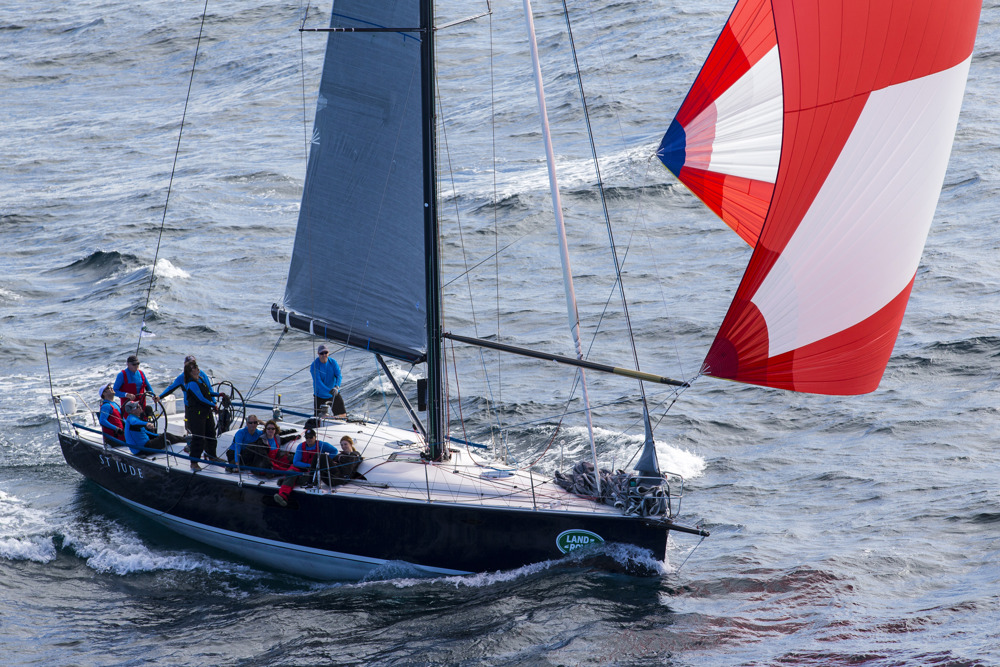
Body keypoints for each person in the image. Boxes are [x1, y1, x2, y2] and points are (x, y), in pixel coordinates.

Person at [273, 429, 338, 507]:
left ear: (315, 437)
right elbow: (296, 462)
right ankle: (282, 495)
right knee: (291, 473)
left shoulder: (321, 445)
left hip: (313, 471)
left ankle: (286, 481)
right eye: (307, 437)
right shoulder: (301, 446)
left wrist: (325, 460)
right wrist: (308, 465)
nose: (309, 439)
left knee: (303, 478)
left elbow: (334, 451)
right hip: (300, 467)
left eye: (311, 437)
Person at [181, 359, 221, 470]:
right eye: (194, 367)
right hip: (196, 415)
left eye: (197, 366)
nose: (197, 368)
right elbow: (201, 398)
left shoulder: (201, 379)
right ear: (190, 371)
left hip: (206, 413)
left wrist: (219, 394)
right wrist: (213, 405)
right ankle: (194, 462)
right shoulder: (191, 384)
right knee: (199, 438)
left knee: (211, 434)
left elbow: (207, 392)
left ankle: (212, 456)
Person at [310, 344, 346, 418]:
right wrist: (329, 391)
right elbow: (318, 383)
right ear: (318, 354)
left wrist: (336, 387)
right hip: (320, 396)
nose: (324, 355)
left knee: (343, 416)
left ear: (328, 353)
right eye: (321, 353)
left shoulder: (333, 362)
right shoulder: (314, 366)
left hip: (334, 394)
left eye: (325, 352)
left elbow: (339, 375)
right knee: (317, 420)